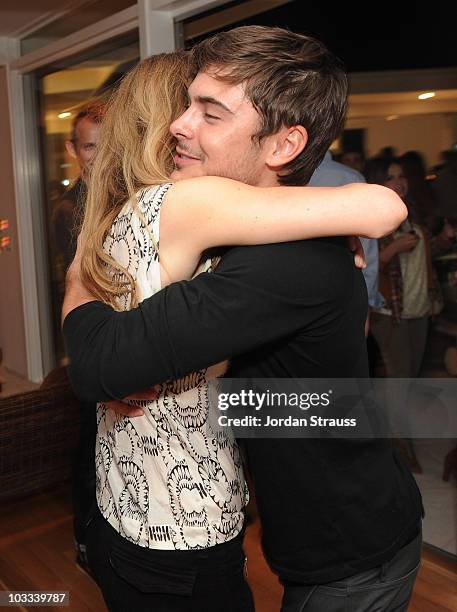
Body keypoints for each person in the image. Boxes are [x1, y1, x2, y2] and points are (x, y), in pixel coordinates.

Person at [63, 27, 422, 612]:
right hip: (335, 523)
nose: (181, 125)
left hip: (351, 554)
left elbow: (97, 365)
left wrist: (99, 316)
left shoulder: (284, 262)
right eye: (185, 106)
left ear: (283, 145)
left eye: (210, 113)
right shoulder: (266, 241)